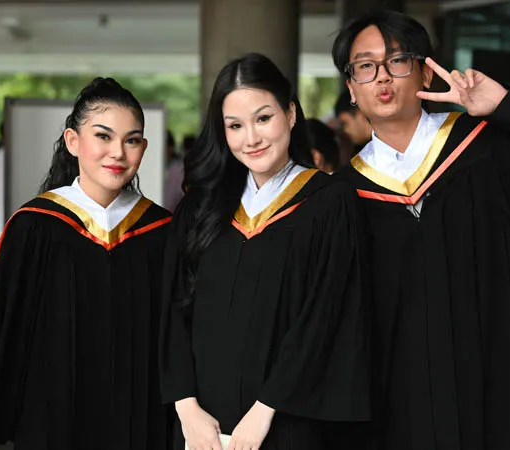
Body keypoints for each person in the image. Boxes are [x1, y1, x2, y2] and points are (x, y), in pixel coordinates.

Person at [331, 10, 510, 450]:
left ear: (425, 73)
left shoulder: (489, 148)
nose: (383, 77)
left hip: (507, 379)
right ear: (352, 88)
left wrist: (508, 106)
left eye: (398, 60)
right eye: (365, 66)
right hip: (400, 400)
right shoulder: (341, 196)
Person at [159, 53, 371, 450]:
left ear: (290, 114)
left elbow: (323, 316)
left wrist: (264, 411)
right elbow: (173, 308)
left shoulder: (329, 202)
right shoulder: (200, 207)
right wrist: (186, 409)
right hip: (200, 429)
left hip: (285, 422)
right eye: (235, 125)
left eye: (263, 118)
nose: (251, 138)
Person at [0, 77, 173, 450]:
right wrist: (0, 423)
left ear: (144, 148)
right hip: (51, 420)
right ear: (73, 141)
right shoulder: (33, 226)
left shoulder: (162, 232)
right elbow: (8, 332)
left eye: (131, 140)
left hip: (141, 420)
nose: (117, 152)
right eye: (103, 136)